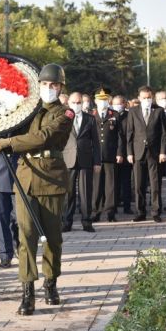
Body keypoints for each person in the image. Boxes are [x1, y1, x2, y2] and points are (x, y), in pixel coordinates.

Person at [0, 63, 73, 315]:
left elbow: (42, 137)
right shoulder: (25, 110)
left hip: (51, 179)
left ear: (60, 87)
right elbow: (2, 124)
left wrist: (9, 142)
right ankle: (27, 292)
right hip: (26, 178)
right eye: (44, 85)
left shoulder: (64, 113)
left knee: (52, 238)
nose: (48, 89)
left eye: (53, 85)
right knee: (25, 237)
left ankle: (51, 283)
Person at [126, 86, 166, 222]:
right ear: (139, 98)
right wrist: (129, 152)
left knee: (155, 183)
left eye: (149, 97)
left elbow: (163, 134)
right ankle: (140, 211)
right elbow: (130, 133)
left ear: (152, 97)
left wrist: (162, 152)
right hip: (137, 152)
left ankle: (155, 212)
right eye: (144, 98)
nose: (146, 100)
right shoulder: (133, 111)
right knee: (139, 184)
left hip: (154, 152)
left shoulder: (159, 111)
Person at [62, 91, 100, 232]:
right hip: (68, 160)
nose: (76, 105)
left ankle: (87, 221)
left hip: (86, 160)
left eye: (79, 102)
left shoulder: (90, 118)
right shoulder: (64, 118)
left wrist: (97, 162)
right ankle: (67, 221)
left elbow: (96, 142)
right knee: (68, 193)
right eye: (74, 102)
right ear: (68, 103)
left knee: (85, 193)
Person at [92, 90, 124, 223]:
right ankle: (95, 211)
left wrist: (119, 153)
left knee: (110, 185)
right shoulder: (91, 115)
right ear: (95, 101)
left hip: (111, 155)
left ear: (109, 101)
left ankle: (110, 211)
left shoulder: (115, 115)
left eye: (105, 100)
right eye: (100, 100)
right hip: (96, 157)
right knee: (96, 186)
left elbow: (120, 136)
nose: (102, 102)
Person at [112, 96, 132, 214]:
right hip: (113, 154)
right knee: (114, 182)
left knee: (126, 181)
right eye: (115, 104)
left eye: (119, 104)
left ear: (125, 104)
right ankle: (113, 206)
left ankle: (127, 206)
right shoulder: (111, 116)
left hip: (126, 153)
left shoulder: (129, 116)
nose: (117, 106)